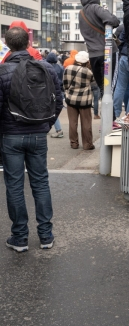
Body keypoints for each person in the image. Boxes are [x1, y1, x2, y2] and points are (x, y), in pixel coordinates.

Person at [0, 26, 63, 252]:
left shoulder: (3, 70)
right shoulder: (46, 68)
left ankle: (20, 238)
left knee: (15, 187)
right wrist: (46, 125)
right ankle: (46, 235)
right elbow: (58, 100)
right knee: (40, 183)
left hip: (11, 137)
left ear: (8, 45)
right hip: (38, 135)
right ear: (28, 43)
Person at [79, 0, 120, 96]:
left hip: (93, 56)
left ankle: (107, 114)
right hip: (108, 54)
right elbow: (114, 21)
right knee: (110, 90)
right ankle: (110, 114)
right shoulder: (96, 8)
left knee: (103, 90)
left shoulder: (81, 13)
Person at [63, 51, 95, 150]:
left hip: (71, 99)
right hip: (84, 100)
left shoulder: (68, 69)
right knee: (86, 123)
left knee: (72, 123)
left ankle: (74, 143)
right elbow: (93, 82)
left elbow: (65, 84)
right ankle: (87, 144)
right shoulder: (88, 71)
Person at [113, 26, 129, 118]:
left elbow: (120, 41)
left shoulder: (125, 26)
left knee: (120, 86)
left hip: (124, 56)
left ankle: (114, 114)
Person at [47, 52, 65, 138]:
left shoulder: (47, 68)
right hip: (59, 89)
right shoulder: (60, 67)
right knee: (54, 110)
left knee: (51, 110)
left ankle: (59, 130)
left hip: (49, 91)